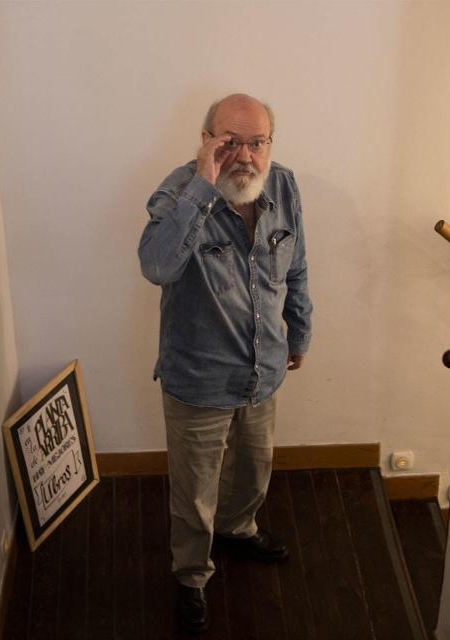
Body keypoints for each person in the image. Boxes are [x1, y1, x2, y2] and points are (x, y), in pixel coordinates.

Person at [138, 93, 313, 633]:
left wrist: (300, 329)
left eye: (255, 142)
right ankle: (191, 577)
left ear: (269, 144)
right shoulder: (178, 192)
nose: (243, 155)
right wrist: (202, 189)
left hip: (264, 368)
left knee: (254, 467)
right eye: (228, 141)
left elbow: (298, 264)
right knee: (194, 491)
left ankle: (239, 529)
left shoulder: (282, 184)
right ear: (207, 140)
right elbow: (157, 265)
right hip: (199, 376)